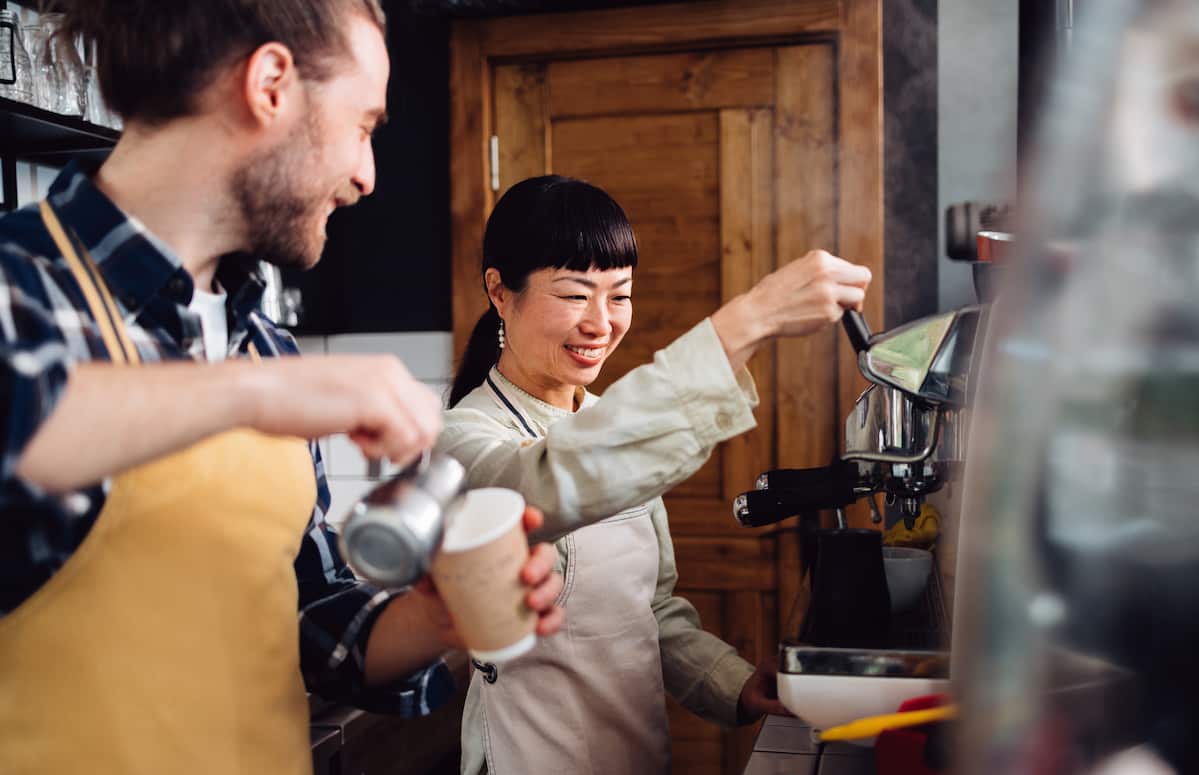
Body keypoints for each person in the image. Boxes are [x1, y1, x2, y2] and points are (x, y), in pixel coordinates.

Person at [0, 3, 563, 773]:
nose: (368, 176)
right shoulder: (20, 289)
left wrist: (436, 618)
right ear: (270, 84)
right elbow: (20, 425)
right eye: (364, 125)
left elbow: (306, 624)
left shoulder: (261, 342)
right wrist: (248, 392)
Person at [438, 175, 873, 774]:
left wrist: (735, 684)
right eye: (574, 295)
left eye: (619, 296)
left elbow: (652, 610)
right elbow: (546, 481)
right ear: (499, 292)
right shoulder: (463, 438)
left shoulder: (605, 422)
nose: (601, 323)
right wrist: (751, 318)